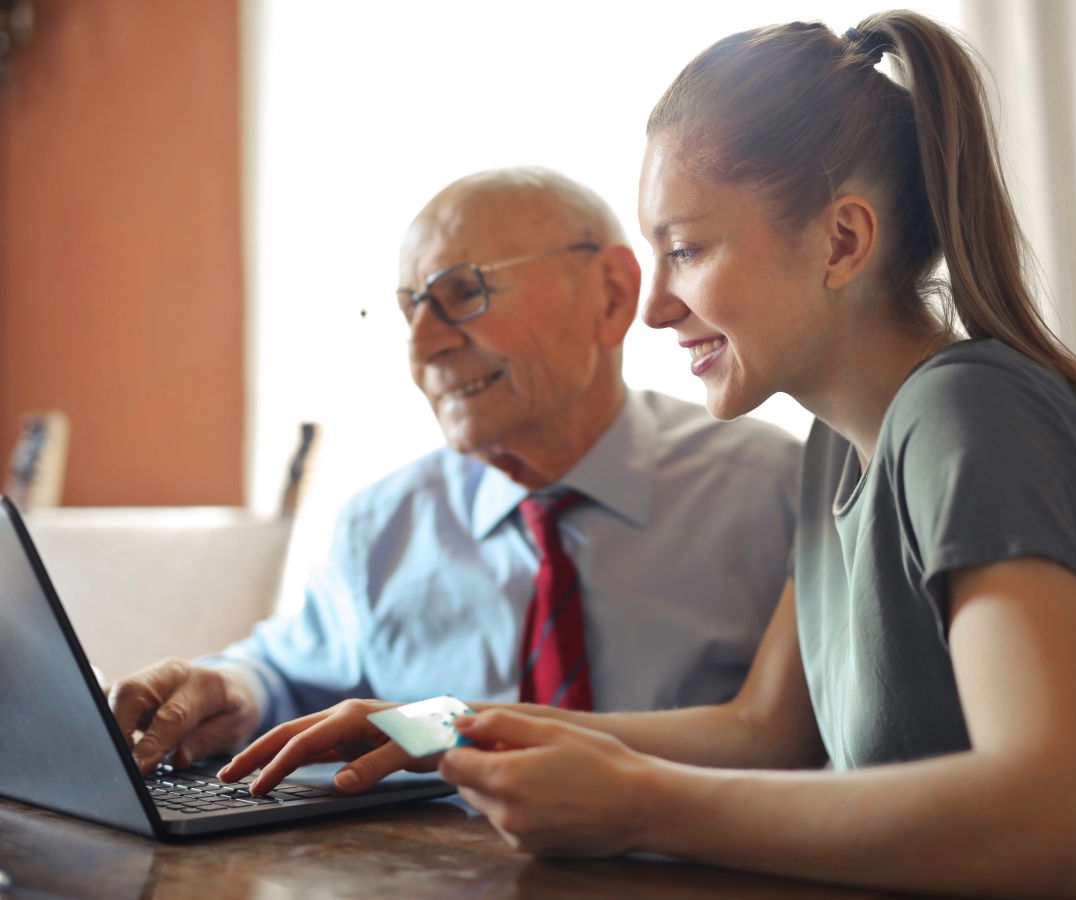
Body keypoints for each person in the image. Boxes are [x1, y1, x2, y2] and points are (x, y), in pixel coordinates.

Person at [219, 13, 1076, 897]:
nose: (653, 308)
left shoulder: (965, 412)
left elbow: (1072, 830)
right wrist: (434, 725)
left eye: (685, 250)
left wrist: (639, 804)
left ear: (842, 240)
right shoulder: (834, 453)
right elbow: (760, 733)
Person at [105, 168, 803, 777]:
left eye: (461, 292)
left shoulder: (775, 491)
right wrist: (232, 688)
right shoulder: (383, 524)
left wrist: (434, 727)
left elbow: (801, 743)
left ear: (613, 295)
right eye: (410, 307)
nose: (422, 346)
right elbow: (286, 672)